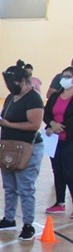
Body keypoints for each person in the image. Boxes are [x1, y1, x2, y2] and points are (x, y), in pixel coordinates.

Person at [0, 65, 44, 240]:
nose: (11, 86)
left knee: (25, 187)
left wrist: (8, 125)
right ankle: (9, 219)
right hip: (9, 146)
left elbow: (34, 125)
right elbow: (7, 117)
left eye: (14, 82)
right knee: (9, 187)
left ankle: (28, 224)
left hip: (27, 147)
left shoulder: (33, 98)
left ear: (24, 81)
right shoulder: (11, 97)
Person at [44, 67, 73, 215]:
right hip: (55, 140)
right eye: (64, 76)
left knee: (69, 171)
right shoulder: (56, 95)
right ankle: (59, 202)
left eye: (68, 77)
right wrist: (51, 124)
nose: (65, 79)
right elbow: (46, 113)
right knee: (58, 171)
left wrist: (62, 127)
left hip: (69, 139)